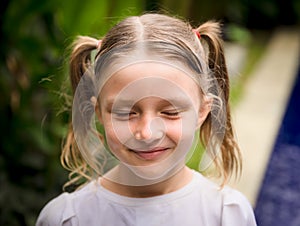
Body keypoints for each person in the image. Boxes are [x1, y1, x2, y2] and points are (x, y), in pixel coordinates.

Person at [36, 13, 257, 226]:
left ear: (202, 110)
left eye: (170, 112)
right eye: (124, 113)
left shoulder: (227, 215)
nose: (147, 133)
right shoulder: (67, 219)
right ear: (99, 113)